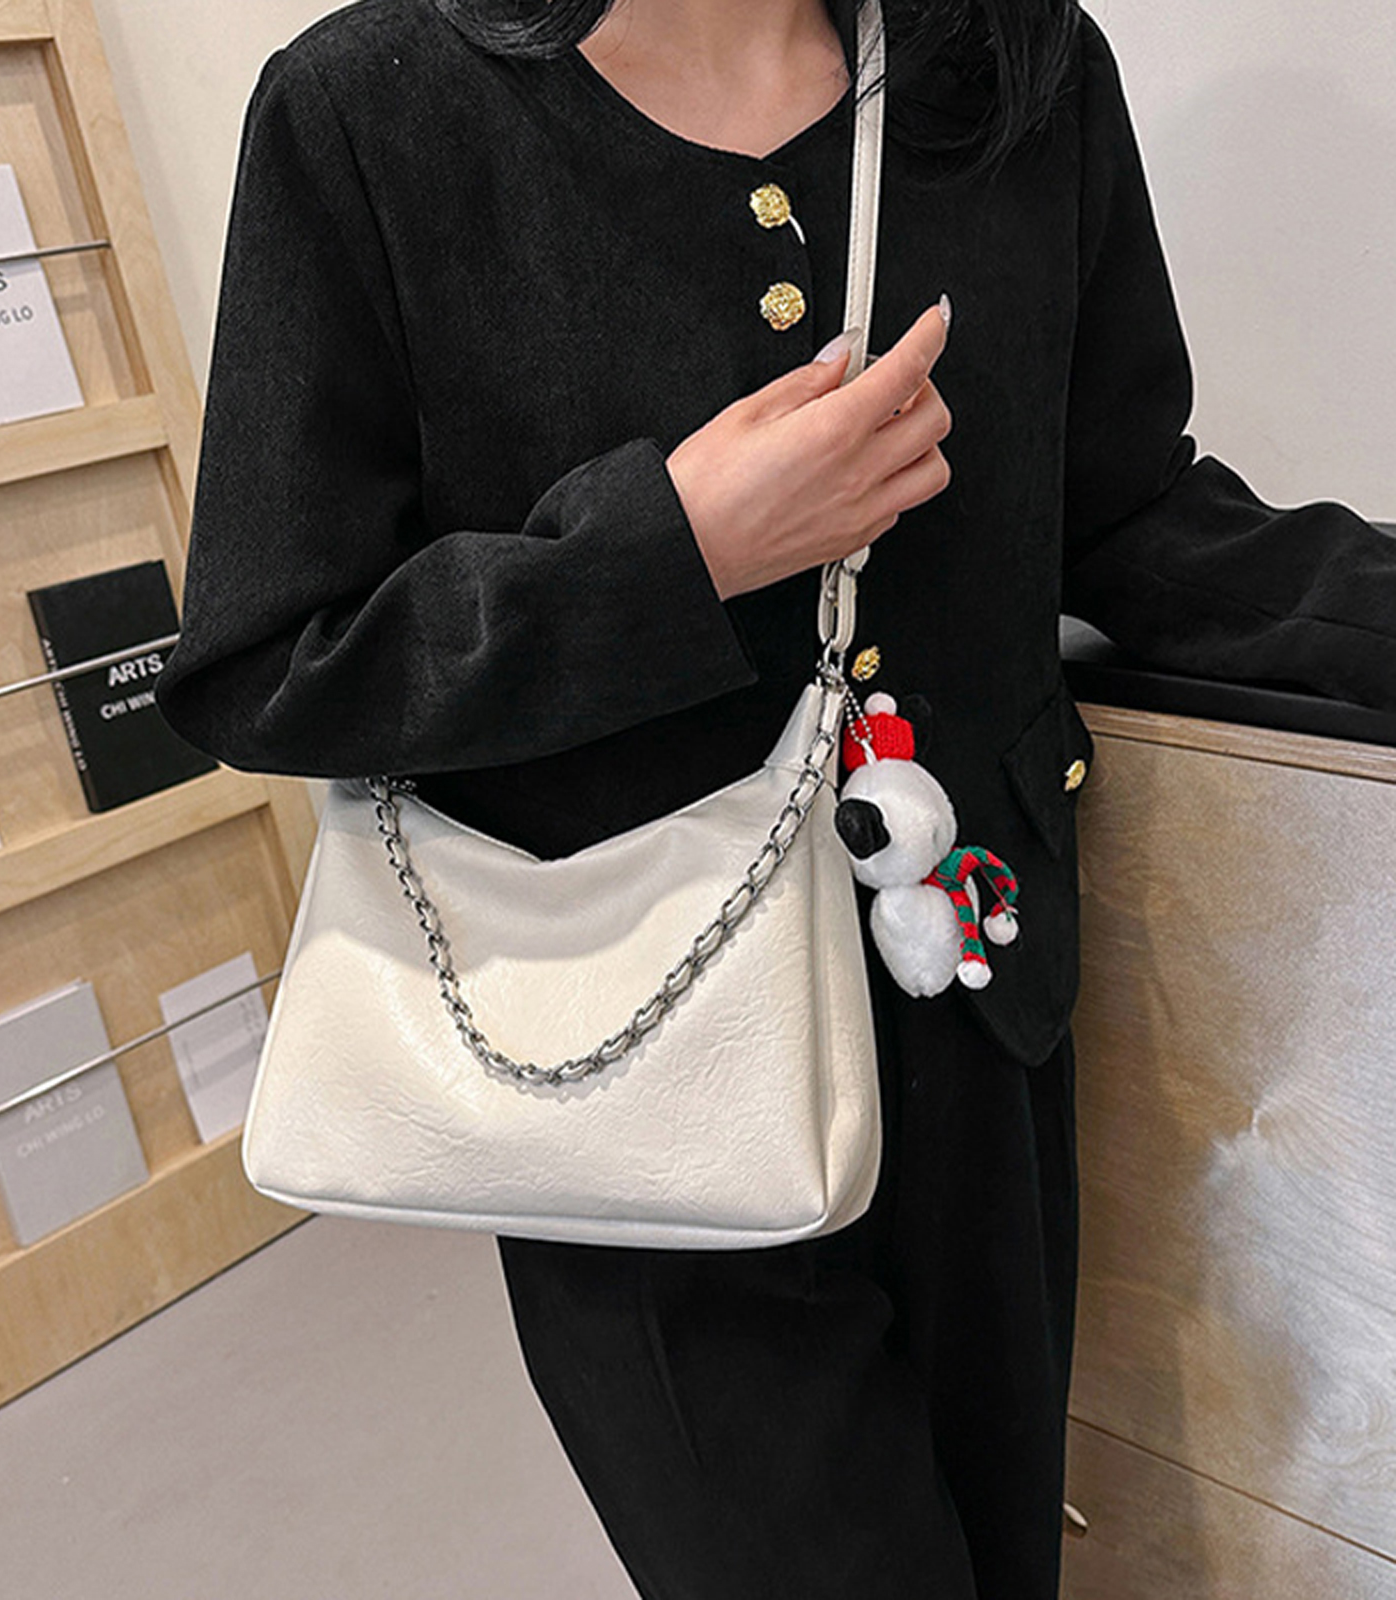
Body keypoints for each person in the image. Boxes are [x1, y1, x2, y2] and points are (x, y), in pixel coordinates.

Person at [153, 1, 1396, 1595]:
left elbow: (1127, 511)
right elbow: (272, 662)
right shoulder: (373, 114)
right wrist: (668, 553)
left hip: (983, 1020)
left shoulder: (1013, 69)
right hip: (636, 1084)